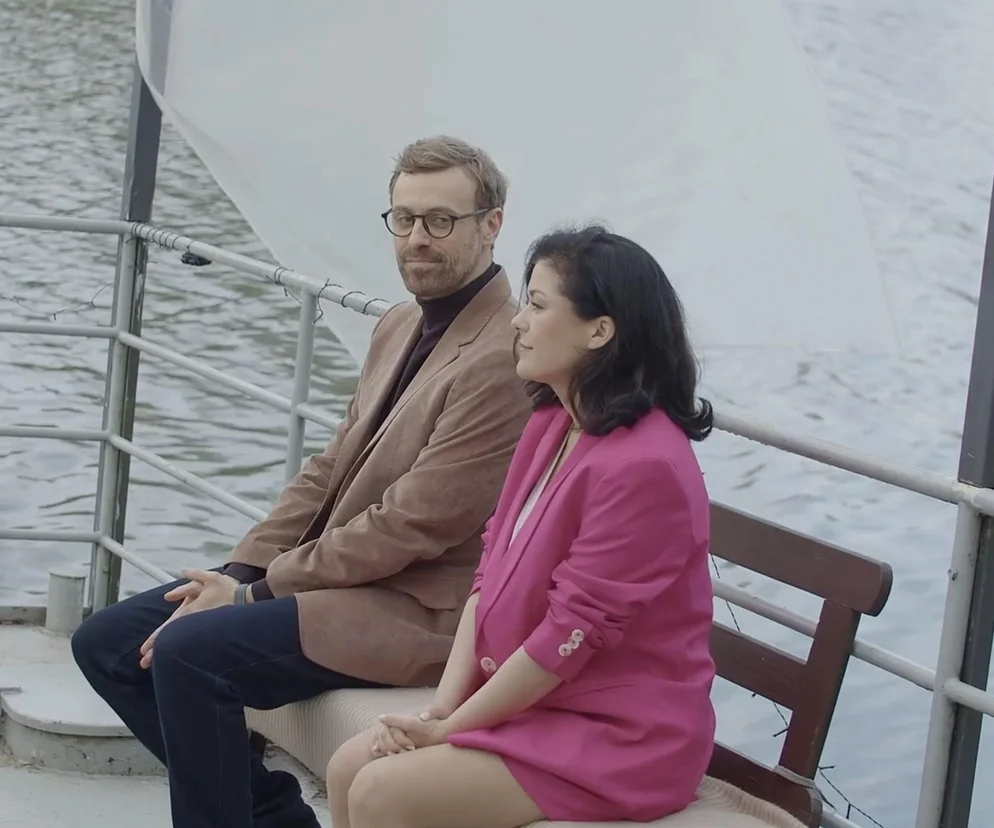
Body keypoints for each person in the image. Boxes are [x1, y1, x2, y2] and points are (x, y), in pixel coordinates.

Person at [70, 135, 532, 828]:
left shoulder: (501, 357)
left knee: (190, 655)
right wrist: (237, 570)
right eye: (404, 219)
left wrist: (251, 595)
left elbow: (412, 524)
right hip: (346, 585)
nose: (417, 239)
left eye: (441, 220)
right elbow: (327, 470)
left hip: (420, 609)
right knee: (106, 643)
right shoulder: (402, 323)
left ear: (491, 224)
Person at [326, 225, 718, 828]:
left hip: (619, 735)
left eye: (537, 305)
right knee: (348, 768)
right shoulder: (551, 423)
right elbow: (490, 573)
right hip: (538, 705)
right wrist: (442, 710)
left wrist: (452, 729)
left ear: (599, 330)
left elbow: (572, 632)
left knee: (382, 791)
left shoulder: (646, 467)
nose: (517, 321)